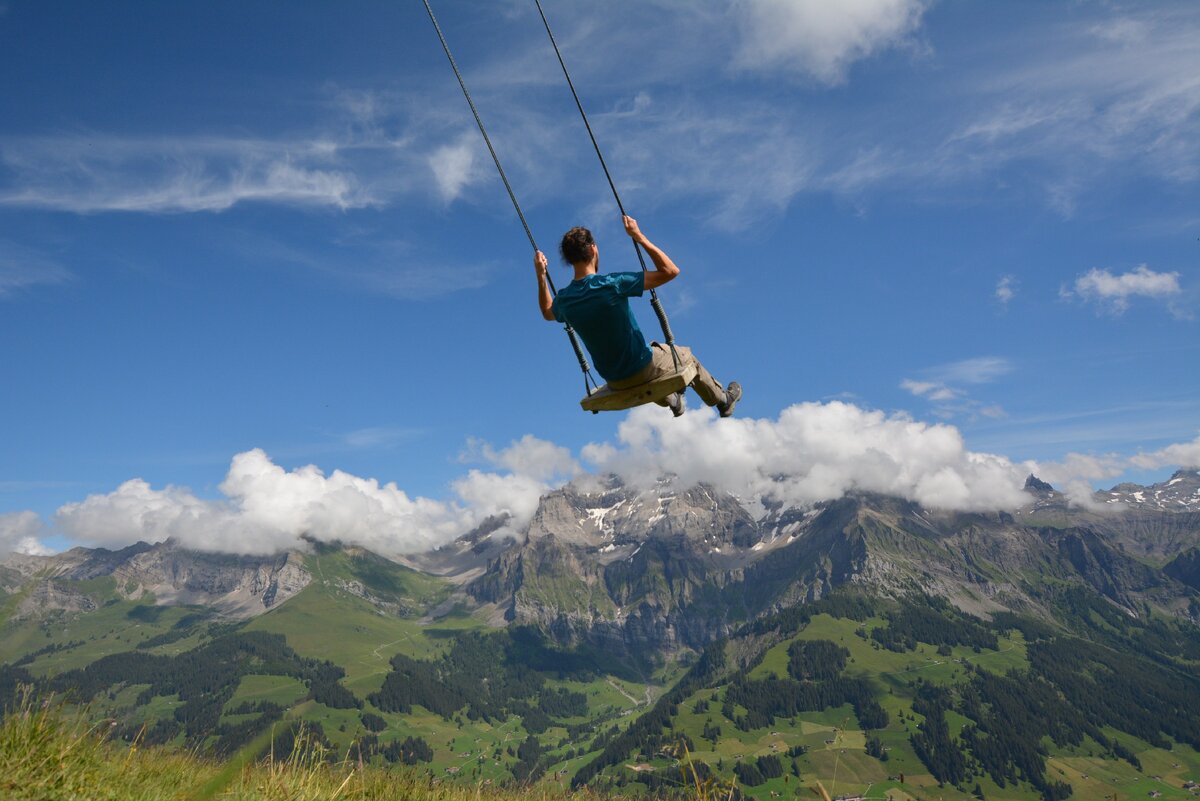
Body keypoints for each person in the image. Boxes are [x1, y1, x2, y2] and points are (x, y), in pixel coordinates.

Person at [534, 215, 741, 417]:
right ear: (592, 249)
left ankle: (672, 400)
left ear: (569, 260)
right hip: (643, 367)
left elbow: (546, 312)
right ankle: (723, 401)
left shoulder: (565, 300)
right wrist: (638, 236)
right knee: (685, 358)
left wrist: (541, 275)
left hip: (614, 379)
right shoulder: (612, 284)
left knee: (650, 352)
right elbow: (670, 271)